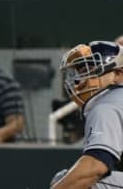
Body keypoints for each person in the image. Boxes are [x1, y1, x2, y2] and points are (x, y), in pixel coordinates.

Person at [50, 40, 123, 188]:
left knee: (79, 181)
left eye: (89, 70)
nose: (79, 81)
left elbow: (95, 167)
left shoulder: (107, 103)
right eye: (80, 73)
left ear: (118, 74)